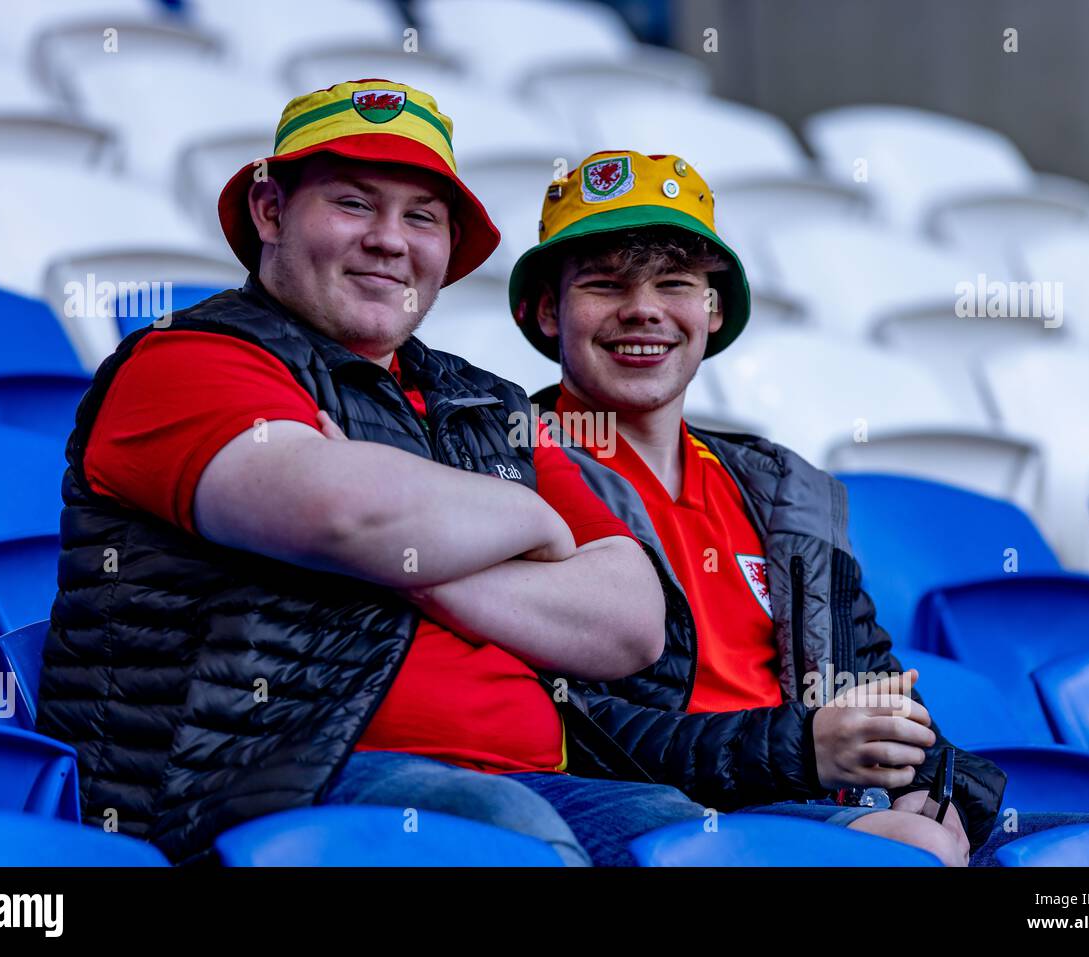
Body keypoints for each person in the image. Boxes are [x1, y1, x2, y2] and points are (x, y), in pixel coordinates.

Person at [507, 149, 1089, 865]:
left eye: (675, 283)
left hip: (841, 804)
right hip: (689, 814)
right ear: (542, 308)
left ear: (712, 311)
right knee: (912, 847)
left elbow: (873, 682)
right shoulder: (511, 468)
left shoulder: (779, 484)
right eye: (603, 284)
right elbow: (569, 722)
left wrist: (933, 784)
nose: (644, 309)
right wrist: (806, 754)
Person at [37, 81, 677, 866]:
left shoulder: (481, 398)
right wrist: (537, 524)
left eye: (421, 216)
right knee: (498, 833)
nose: (389, 239)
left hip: (542, 782)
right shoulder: (187, 359)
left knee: (706, 837)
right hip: (256, 782)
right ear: (270, 212)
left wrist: (416, 567)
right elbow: (351, 518)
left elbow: (633, 620)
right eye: (353, 203)